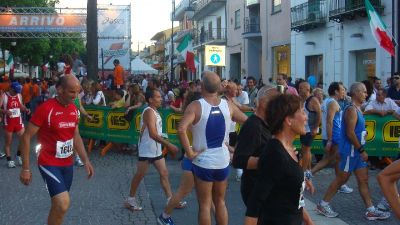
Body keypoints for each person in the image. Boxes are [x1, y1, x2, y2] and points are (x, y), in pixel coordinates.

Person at [19, 75, 94, 225]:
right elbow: (26, 137)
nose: (76, 96)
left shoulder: (73, 109)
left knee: (59, 206)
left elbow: (76, 135)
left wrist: (85, 160)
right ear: (60, 90)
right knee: (63, 202)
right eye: (72, 92)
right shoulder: (45, 109)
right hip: (48, 161)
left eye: (78, 92)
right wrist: (26, 168)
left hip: (67, 163)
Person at [178, 71, 247, 225]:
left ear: (201, 86)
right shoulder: (228, 105)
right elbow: (248, 122)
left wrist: (189, 153)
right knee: (220, 202)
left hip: (203, 161)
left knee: (205, 204)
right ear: (218, 88)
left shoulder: (195, 105)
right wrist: (237, 147)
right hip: (222, 161)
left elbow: (181, 129)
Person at [316, 82, 391, 221]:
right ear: (356, 93)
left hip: (356, 153)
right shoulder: (351, 110)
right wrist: (361, 150)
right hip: (350, 152)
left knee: (364, 180)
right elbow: (350, 133)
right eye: (363, 91)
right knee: (341, 179)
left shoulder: (358, 108)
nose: (366, 94)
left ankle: (370, 210)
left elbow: (356, 130)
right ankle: (322, 204)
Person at [244, 94, 313, 225]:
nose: (306, 117)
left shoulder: (289, 149)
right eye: (302, 112)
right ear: (288, 120)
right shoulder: (275, 154)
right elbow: (254, 204)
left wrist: (309, 221)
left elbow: (291, 197)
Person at [125, 89, 180, 211]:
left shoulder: (155, 111)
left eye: (161, 97)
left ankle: (170, 200)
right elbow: (153, 134)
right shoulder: (149, 112)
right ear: (150, 99)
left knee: (164, 173)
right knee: (140, 175)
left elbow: (157, 133)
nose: (161, 99)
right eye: (158, 97)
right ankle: (130, 200)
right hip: (146, 149)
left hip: (156, 150)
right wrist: (169, 145)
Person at [157, 91, 202, 225]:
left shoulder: (191, 114)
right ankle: (164, 216)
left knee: (207, 197)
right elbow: (183, 133)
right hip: (192, 159)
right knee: (184, 191)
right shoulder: (194, 116)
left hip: (195, 158)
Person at [232, 85, 280, 205]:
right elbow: (239, 160)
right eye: (276, 102)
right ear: (263, 103)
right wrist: (271, 160)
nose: (280, 107)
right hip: (255, 188)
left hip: (265, 187)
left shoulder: (266, 124)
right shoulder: (253, 126)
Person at [311, 82, 353, 194]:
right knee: (329, 160)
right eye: (342, 90)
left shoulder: (326, 101)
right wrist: (330, 140)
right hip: (334, 136)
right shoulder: (333, 103)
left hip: (331, 136)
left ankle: (341, 184)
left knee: (337, 160)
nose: (344, 92)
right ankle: (308, 175)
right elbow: (330, 121)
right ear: (336, 91)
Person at [0, 82, 30, 168]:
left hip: (18, 121)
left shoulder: (19, 95)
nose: (16, 93)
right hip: (8, 122)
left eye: (18, 91)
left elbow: (20, 105)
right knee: (8, 142)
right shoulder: (4, 96)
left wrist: (26, 109)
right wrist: (5, 111)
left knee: (24, 140)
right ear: (11, 89)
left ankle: (18, 155)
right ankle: (9, 160)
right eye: (15, 91)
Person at [298, 81, 321, 176]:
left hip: (310, 129)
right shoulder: (302, 99)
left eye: (301, 88)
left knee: (305, 150)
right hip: (304, 129)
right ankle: (308, 170)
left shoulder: (313, 100)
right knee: (306, 150)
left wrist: (315, 128)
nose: (299, 90)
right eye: (298, 88)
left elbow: (319, 114)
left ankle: (303, 172)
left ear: (307, 89)